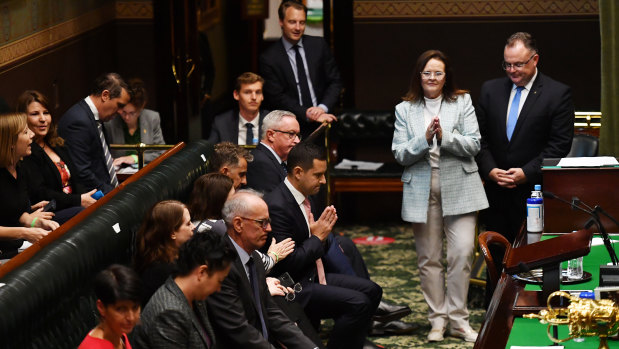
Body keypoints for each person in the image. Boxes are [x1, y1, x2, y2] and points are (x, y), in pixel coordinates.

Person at [391, 50, 489, 343]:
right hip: (422, 190)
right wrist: (424, 139)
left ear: (446, 77)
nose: (432, 78)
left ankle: (459, 320)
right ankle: (437, 320)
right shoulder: (404, 109)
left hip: (461, 187)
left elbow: (474, 144)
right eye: (427, 73)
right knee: (429, 259)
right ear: (418, 77)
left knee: (461, 255)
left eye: (438, 73)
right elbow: (399, 153)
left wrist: (445, 137)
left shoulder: (462, 102)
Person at [264, 142, 384, 349]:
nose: (323, 180)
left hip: (312, 273)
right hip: (293, 284)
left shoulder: (308, 194)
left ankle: (352, 341)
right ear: (298, 172)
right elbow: (288, 265)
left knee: (372, 291)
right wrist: (317, 237)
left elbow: (315, 242)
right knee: (358, 303)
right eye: (318, 175)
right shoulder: (277, 205)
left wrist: (320, 236)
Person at [476, 32, 574, 243]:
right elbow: (479, 138)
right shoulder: (490, 90)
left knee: (531, 262)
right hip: (496, 195)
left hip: (534, 195)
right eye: (507, 64)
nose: (512, 71)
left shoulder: (557, 94)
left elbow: (559, 144)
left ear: (535, 59)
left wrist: (526, 173)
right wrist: (491, 170)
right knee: (496, 262)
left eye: (518, 64)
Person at [206, 190, 318, 348]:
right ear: (238, 224)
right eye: (262, 222)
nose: (269, 228)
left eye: (269, 221)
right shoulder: (222, 266)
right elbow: (237, 329)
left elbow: (271, 312)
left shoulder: (255, 259)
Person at [133, 231, 235, 349]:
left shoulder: (195, 297)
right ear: (202, 272)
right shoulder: (169, 312)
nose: (219, 289)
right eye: (220, 281)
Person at [259, 1, 339, 136]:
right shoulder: (269, 58)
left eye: (302, 22)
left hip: (323, 121)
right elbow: (277, 97)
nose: (298, 27)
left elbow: (335, 82)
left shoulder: (319, 46)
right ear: (281, 22)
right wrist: (307, 113)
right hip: (288, 127)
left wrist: (321, 109)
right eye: (292, 22)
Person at [188, 172, 294, 274]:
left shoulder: (196, 222)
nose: (236, 200)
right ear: (220, 201)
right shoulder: (218, 227)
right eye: (233, 196)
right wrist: (273, 255)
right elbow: (260, 264)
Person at [17, 90, 97, 221]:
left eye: (46, 113)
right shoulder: (26, 151)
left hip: (75, 205)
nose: (43, 119)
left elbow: (76, 179)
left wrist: (85, 197)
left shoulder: (57, 144)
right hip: (50, 212)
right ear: (22, 118)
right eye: (35, 114)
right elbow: (40, 193)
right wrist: (78, 200)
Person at [58, 73, 130, 194]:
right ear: (105, 95)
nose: (121, 111)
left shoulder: (95, 118)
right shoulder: (78, 120)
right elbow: (82, 172)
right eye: (120, 105)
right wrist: (113, 194)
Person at [0, 112, 59, 260]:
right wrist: (25, 232)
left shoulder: (19, 168)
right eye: (26, 132)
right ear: (11, 142)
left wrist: (37, 222)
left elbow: (18, 214)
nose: (32, 135)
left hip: (15, 247)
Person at [133, 200, 194, 305]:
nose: (193, 227)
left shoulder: (180, 253)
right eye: (188, 224)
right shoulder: (161, 271)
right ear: (172, 233)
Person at [104, 78, 165, 166]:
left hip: (147, 173)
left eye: (132, 113)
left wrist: (136, 158)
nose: (127, 117)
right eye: (124, 112)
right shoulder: (110, 122)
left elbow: (162, 153)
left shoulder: (152, 118)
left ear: (141, 108)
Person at [78, 264, 141, 349]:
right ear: (101, 307)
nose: (131, 317)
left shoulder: (120, 333)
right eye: (121, 309)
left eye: (135, 308)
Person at [207, 72, 269, 145]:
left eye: (258, 92)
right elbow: (210, 153)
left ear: (262, 96)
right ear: (236, 95)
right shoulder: (221, 122)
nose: (254, 97)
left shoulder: (273, 122)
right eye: (247, 92)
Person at [246, 110, 301, 193]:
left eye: (297, 135)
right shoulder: (260, 162)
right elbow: (273, 203)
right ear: (271, 135)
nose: (297, 141)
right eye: (291, 134)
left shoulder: (279, 161)